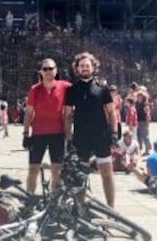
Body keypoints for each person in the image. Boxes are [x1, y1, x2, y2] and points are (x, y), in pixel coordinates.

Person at [64, 51, 117, 207]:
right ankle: (80, 208)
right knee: (79, 175)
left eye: (87, 65)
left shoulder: (103, 89)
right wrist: (68, 138)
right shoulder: (72, 90)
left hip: (101, 136)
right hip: (81, 137)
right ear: (77, 69)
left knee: (107, 174)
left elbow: (111, 112)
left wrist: (113, 133)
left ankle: (111, 208)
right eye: (82, 66)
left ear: (94, 67)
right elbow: (67, 115)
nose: (85, 68)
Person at [22, 58, 71, 193]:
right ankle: (29, 200)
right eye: (45, 69)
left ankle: (53, 202)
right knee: (33, 170)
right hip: (38, 134)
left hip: (57, 134)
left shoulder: (65, 86)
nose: (48, 71)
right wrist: (26, 133)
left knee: (57, 171)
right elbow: (29, 113)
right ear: (41, 72)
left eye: (51, 68)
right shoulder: (35, 89)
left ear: (56, 70)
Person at [135, 91, 152, 156]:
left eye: (140, 96)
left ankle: (147, 150)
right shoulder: (136, 103)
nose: (139, 97)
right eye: (138, 96)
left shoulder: (145, 104)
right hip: (137, 121)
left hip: (143, 121)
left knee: (145, 135)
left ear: (143, 97)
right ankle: (140, 149)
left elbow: (147, 114)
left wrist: (147, 122)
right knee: (138, 136)